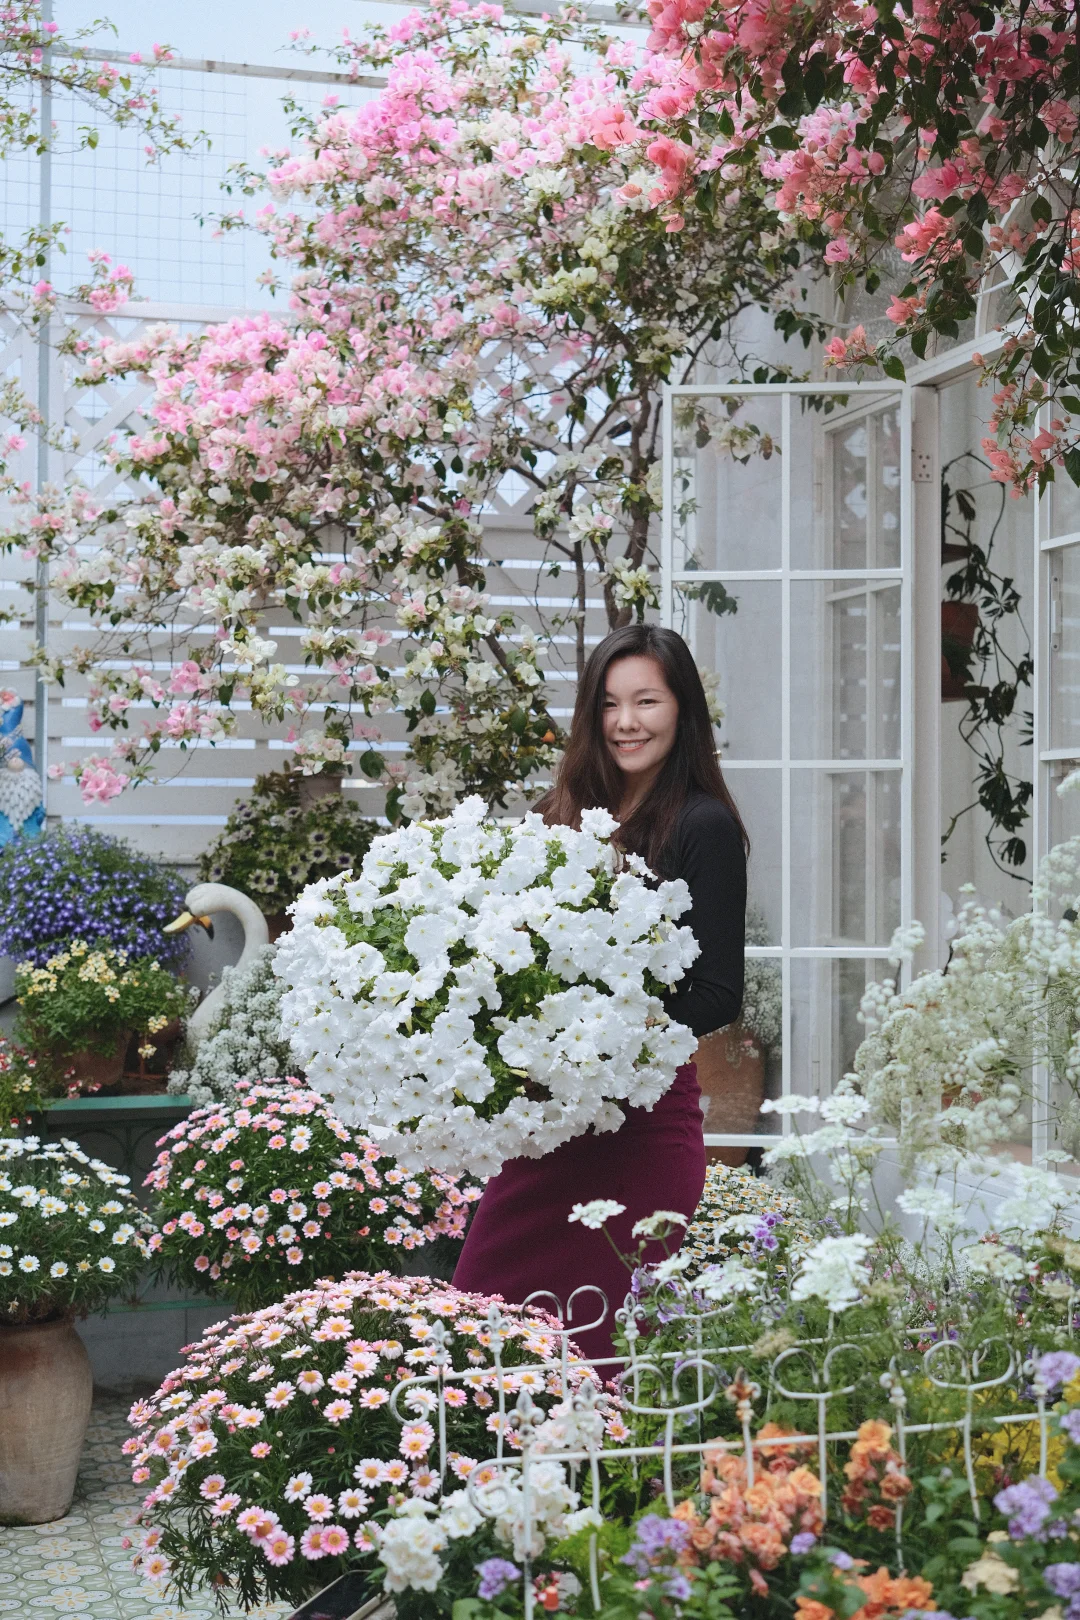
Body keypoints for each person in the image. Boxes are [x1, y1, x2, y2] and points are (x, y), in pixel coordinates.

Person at [453, 624, 747, 1360]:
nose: (626, 722)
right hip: (550, 1124)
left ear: (682, 710)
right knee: (483, 1316)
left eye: (647, 701)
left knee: (593, 1347)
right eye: (610, 704)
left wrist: (596, 1034)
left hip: (640, 1129)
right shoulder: (559, 815)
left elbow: (718, 994)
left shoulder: (703, 825)